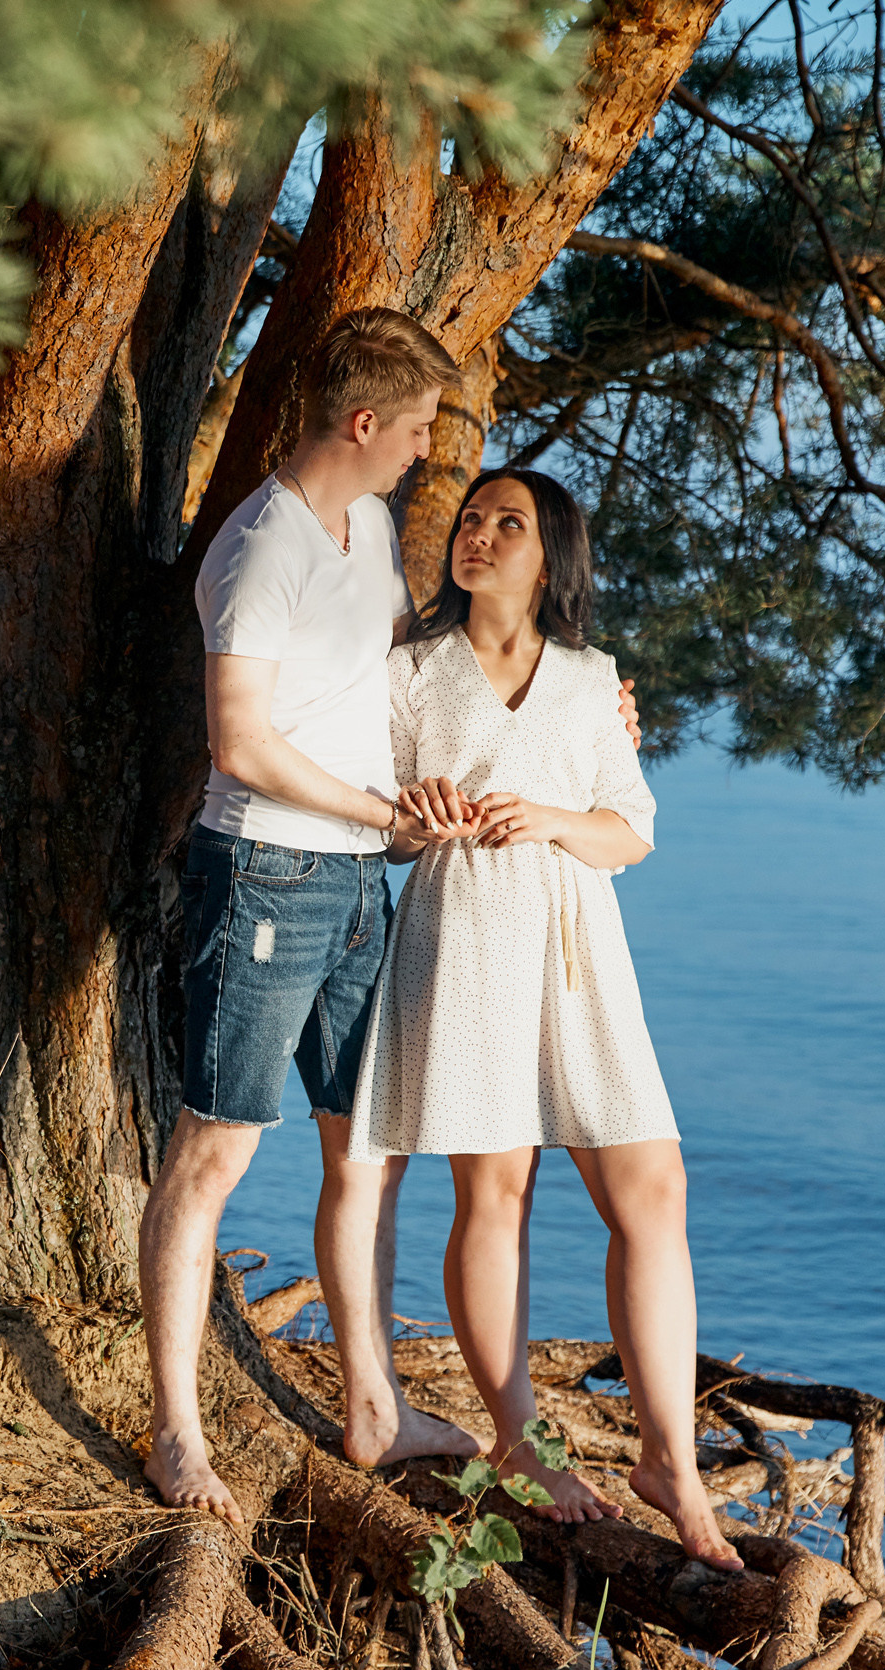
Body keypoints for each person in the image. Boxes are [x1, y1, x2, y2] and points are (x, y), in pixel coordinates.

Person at [348, 467, 743, 1571]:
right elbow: (372, 822)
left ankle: (670, 1460)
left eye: (504, 524)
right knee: (496, 1188)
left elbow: (632, 834)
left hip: (579, 947)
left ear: (550, 552)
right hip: (461, 927)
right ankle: (519, 1439)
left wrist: (558, 816)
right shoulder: (411, 670)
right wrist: (411, 822)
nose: (476, 536)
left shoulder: (590, 680)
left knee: (651, 1186)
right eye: (470, 521)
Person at [137, 307, 479, 1528]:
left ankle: (373, 1411)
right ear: (364, 420)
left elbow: (373, 682)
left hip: (353, 886)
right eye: (422, 427)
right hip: (270, 877)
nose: (428, 450)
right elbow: (240, 743)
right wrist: (377, 812)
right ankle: (176, 1434)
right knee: (213, 1151)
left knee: (365, 1148)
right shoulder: (258, 552)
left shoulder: (370, 524)